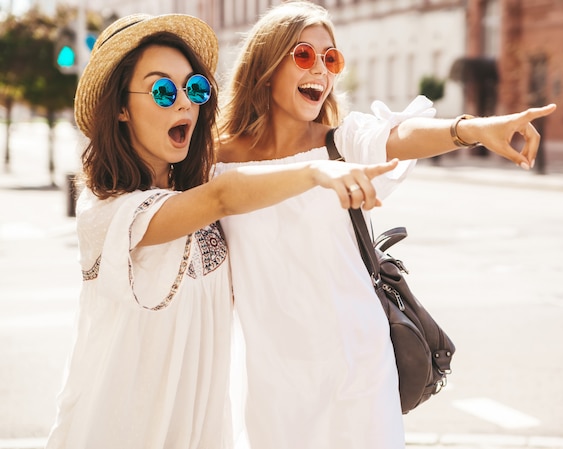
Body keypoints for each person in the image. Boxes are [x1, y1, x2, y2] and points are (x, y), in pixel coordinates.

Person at [44, 13, 398, 449]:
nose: (184, 104)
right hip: (119, 430)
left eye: (194, 88)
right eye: (162, 90)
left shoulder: (198, 185)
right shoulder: (108, 212)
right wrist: (316, 170)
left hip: (200, 433)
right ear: (119, 106)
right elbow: (224, 197)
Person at [215, 2, 557, 448]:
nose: (321, 68)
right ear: (265, 63)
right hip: (271, 375)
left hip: (358, 362)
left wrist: (471, 129)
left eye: (330, 58)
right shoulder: (216, 160)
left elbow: (399, 137)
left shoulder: (343, 142)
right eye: (304, 55)